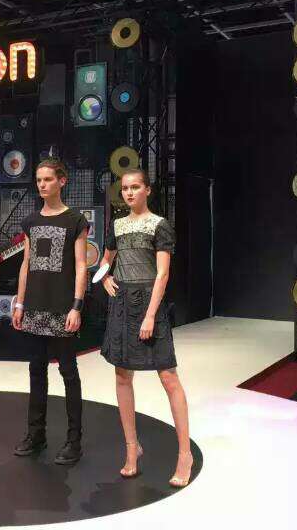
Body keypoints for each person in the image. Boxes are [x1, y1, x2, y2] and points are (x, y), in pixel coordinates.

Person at [99, 169, 192, 486]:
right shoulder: (117, 225)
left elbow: (163, 274)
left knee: (168, 377)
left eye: (135, 187)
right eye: (125, 188)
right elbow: (105, 260)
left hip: (149, 303)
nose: (129, 192)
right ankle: (131, 448)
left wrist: (151, 315)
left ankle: (184, 454)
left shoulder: (159, 225)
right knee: (122, 376)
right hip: (122, 304)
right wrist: (105, 277)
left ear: (147, 190)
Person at [12, 159, 89, 465]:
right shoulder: (30, 221)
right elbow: (26, 263)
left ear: (62, 181)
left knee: (69, 372)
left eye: (47, 179)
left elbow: (81, 265)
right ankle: (36, 434)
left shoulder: (75, 220)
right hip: (34, 306)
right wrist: (20, 303)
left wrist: (77, 305)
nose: (42, 184)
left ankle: (74, 441)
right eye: (38, 180)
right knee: (36, 370)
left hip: (62, 308)